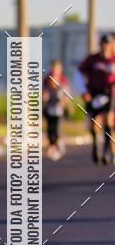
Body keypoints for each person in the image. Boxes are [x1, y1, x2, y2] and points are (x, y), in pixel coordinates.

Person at [78, 34, 115, 164]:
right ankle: (96, 146)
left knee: (109, 122)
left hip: (110, 93)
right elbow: (79, 73)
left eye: (108, 43)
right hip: (94, 93)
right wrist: (83, 91)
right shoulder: (92, 59)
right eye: (103, 43)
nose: (105, 46)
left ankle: (106, 151)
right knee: (95, 124)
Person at [42, 60, 69, 160]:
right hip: (49, 107)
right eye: (54, 68)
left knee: (57, 130)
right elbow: (44, 92)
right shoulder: (47, 79)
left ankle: (58, 148)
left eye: (57, 68)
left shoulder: (63, 80)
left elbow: (66, 94)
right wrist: (44, 96)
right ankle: (53, 148)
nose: (55, 70)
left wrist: (64, 102)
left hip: (59, 108)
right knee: (50, 130)